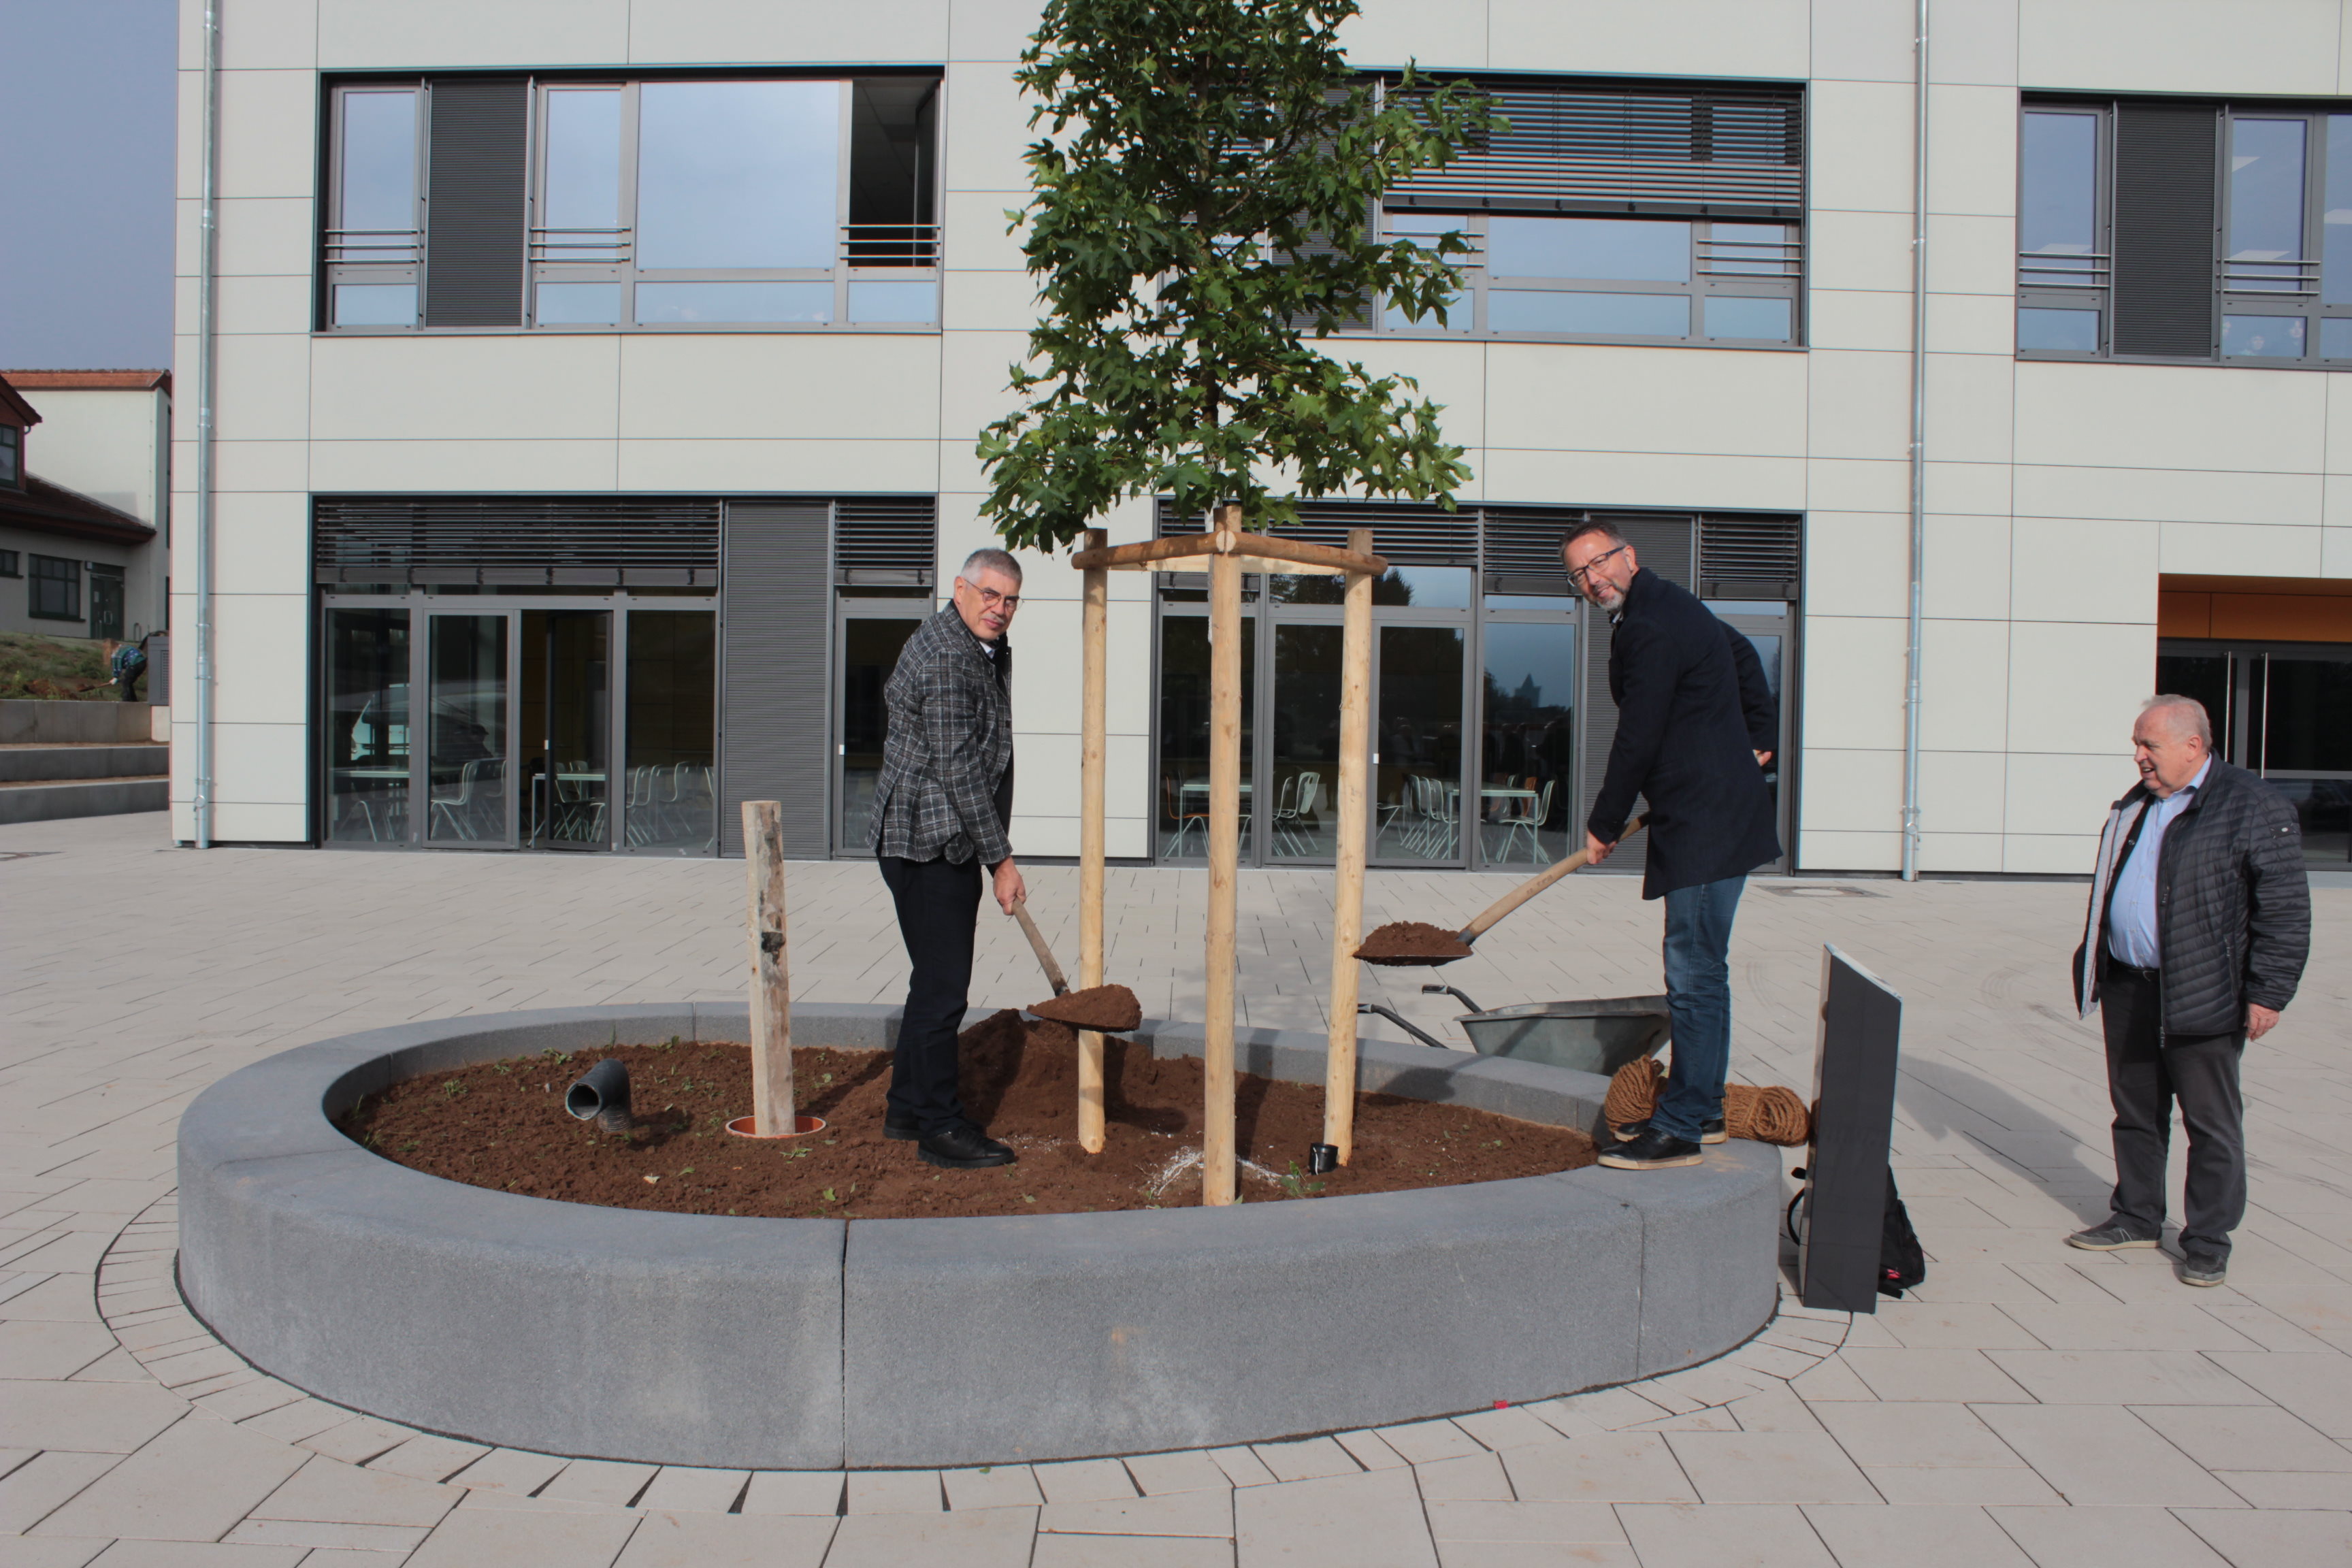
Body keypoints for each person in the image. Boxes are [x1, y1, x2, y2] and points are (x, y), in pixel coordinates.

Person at [2068, 694, 2308, 1286]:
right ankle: (2137, 1216)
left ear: (2193, 746)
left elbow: (2284, 911)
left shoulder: (2251, 805)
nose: (2138, 756)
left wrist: (2268, 993)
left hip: (2206, 993)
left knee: (2210, 1123)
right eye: (2137, 744)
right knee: (2135, 1113)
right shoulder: (2138, 804)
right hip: (2130, 984)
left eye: (2148, 744)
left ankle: (2206, 1238)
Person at [1563, 522, 1780, 1172]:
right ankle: (1705, 1107)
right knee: (1699, 967)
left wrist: (1603, 822)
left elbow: (1640, 735)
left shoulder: (1652, 625)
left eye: (1600, 563)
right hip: (1705, 808)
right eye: (1579, 574)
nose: (1593, 579)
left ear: (1628, 556)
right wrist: (1759, 727)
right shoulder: (1665, 605)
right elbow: (1739, 650)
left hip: (1709, 819)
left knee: (1693, 972)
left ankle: (1683, 1125)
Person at [869, 547, 1030, 1170]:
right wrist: (1003, 861)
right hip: (926, 843)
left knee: (929, 983)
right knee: (943, 992)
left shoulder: (974, 645)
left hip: (938, 840)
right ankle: (940, 1127)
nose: (1000, 609)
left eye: (1011, 599)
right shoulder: (944, 655)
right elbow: (958, 768)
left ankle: (907, 1107)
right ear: (960, 589)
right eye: (990, 594)